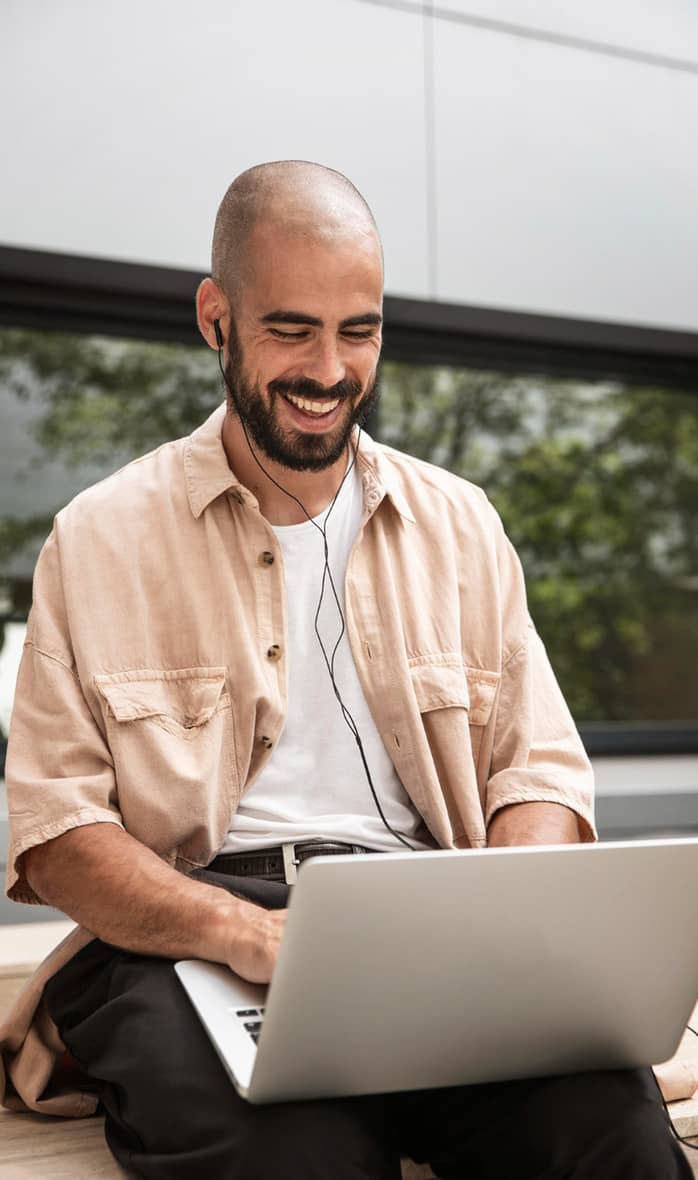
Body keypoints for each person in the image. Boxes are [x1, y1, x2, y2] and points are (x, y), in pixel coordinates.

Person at [1, 161, 690, 1179]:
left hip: (428, 924)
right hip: (183, 940)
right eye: (289, 329)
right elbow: (57, 832)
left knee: (611, 1129)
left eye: (357, 330)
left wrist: (497, 920)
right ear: (214, 318)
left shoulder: (459, 522)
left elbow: (536, 772)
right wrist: (242, 932)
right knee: (298, 1153)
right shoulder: (99, 537)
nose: (328, 369)